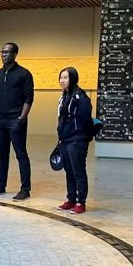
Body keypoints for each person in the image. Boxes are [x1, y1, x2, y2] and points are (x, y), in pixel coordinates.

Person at [0, 42, 34, 201]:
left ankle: (25, 189)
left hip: (16, 120)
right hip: (0, 120)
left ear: (15, 54)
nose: (3, 55)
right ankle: (1, 185)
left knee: (21, 154)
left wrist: (22, 117)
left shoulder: (24, 74)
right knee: (2, 153)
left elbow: (29, 98)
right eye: (2, 52)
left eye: (7, 52)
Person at [55, 67, 93, 214]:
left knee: (78, 171)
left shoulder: (81, 98)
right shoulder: (64, 96)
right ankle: (71, 199)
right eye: (61, 77)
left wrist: (82, 137)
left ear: (73, 79)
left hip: (77, 141)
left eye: (65, 77)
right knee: (69, 171)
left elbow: (85, 120)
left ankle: (81, 202)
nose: (62, 80)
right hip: (65, 140)